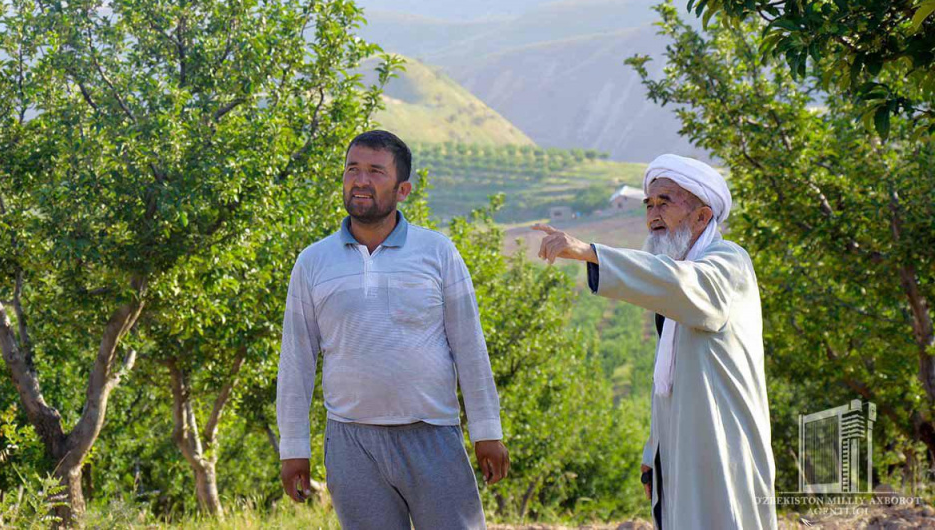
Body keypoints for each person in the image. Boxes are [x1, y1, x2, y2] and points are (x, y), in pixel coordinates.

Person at [276, 130, 509, 530]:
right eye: (352, 169)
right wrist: (293, 448)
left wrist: (487, 431)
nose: (360, 181)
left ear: (403, 189)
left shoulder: (437, 253)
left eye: (375, 171)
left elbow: (469, 346)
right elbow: (296, 360)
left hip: (433, 434)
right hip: (351, 444)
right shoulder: (313, 262)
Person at [532, 153, 776, 529]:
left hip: (723, 445)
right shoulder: (679, 280)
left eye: (666, 202)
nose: (653, 214)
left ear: (702, 216)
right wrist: (654, 452)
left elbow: (684, 284)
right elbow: (670, 384)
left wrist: (592, 253)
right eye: (649, 204)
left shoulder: (727, 261)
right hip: (679, 450)